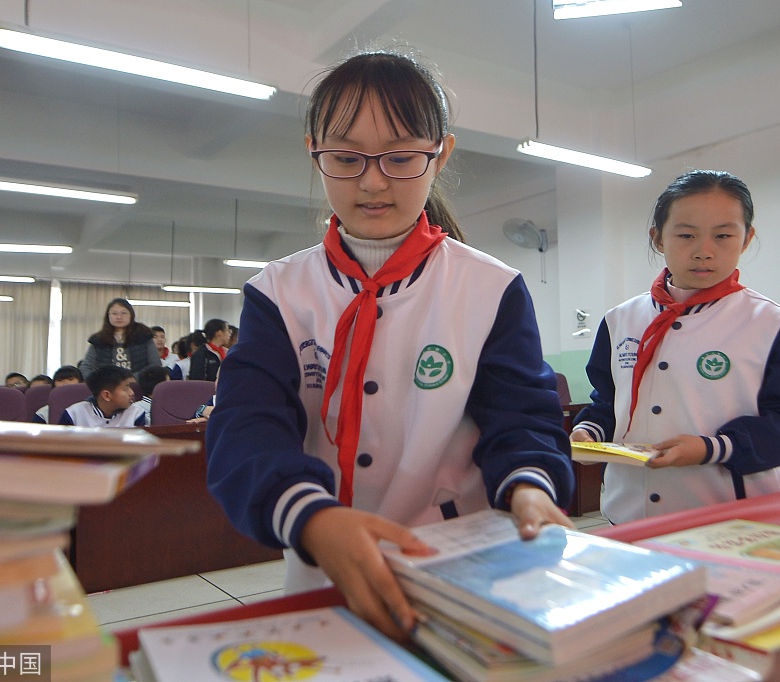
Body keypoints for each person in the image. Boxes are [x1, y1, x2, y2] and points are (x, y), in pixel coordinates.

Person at [206, 49, 574, 641]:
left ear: (441, 154)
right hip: (325, 558)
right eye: (346, 158)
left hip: (462, 562)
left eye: (401, 157)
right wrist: (315, 521)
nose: (373, 181)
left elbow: (523, 418)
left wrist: (531, 488)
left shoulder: (491, 288)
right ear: (313, 153)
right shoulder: (277, 292)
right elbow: (247, 429)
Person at [570, 169, 780, 525]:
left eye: (723, 235)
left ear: (747, 238)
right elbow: (609, 401)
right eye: (686, 235)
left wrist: (711, 448)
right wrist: (589, 433)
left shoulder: (770, 324)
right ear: (658, 238)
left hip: (733, 519)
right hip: (629, 511)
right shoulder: (620, 320)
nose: (704, 252)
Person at [81, 298, 161, 381]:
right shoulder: (98, 339)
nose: (119, 317)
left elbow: (155, 365)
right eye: (114, 313)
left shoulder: (144, 335)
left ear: (131, 315)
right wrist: (99, 382)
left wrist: (134, 378)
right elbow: (85, 367)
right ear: (108, 316)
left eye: (124, 313)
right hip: (108, 387)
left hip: (138, 385)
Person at [58, 365, 146, 428]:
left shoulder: (136, 413)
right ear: (107, 395)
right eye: (126, 388)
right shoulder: (73, 414)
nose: (132, 393)